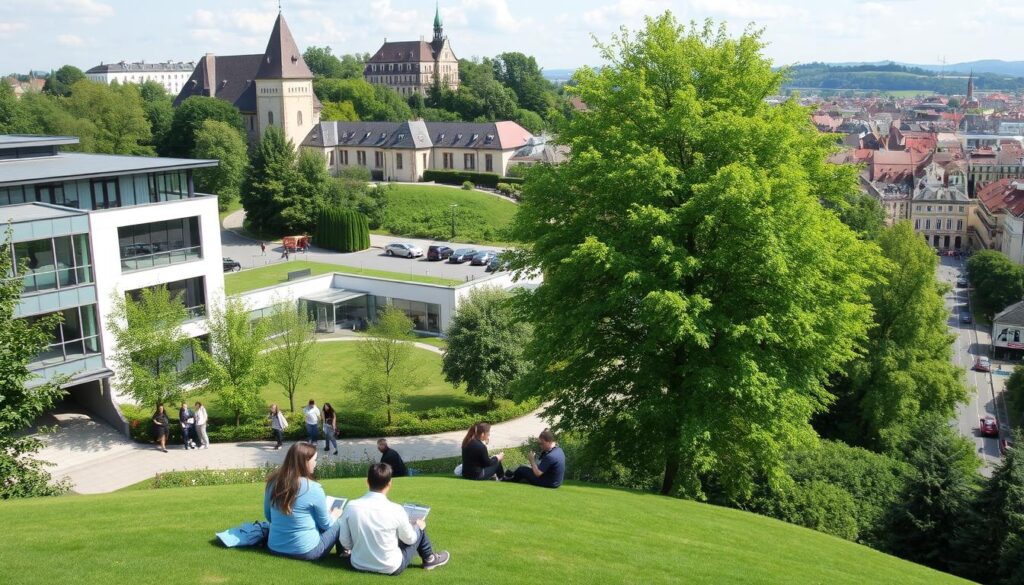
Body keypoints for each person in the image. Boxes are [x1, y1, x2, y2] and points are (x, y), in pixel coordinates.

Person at [338, 463, 450, 575]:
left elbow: (345, 541)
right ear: (389, 483)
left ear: (367, 482)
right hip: (390, 566)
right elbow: (410, 539)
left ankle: (429, 557)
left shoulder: (351, 506)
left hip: (359, 563)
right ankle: (429, 558)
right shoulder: (396, 510)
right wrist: (417, 527)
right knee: (419, 527)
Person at [264, 443, 343, 561]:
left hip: (275, 547)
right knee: (339, 522)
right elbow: (326, 524)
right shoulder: (314, 488)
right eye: (314, 460)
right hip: (306, 551)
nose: (316, 463)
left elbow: (269, 516)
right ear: (305, 461)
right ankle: (344, 555)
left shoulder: (273, 483)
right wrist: (334, 515)